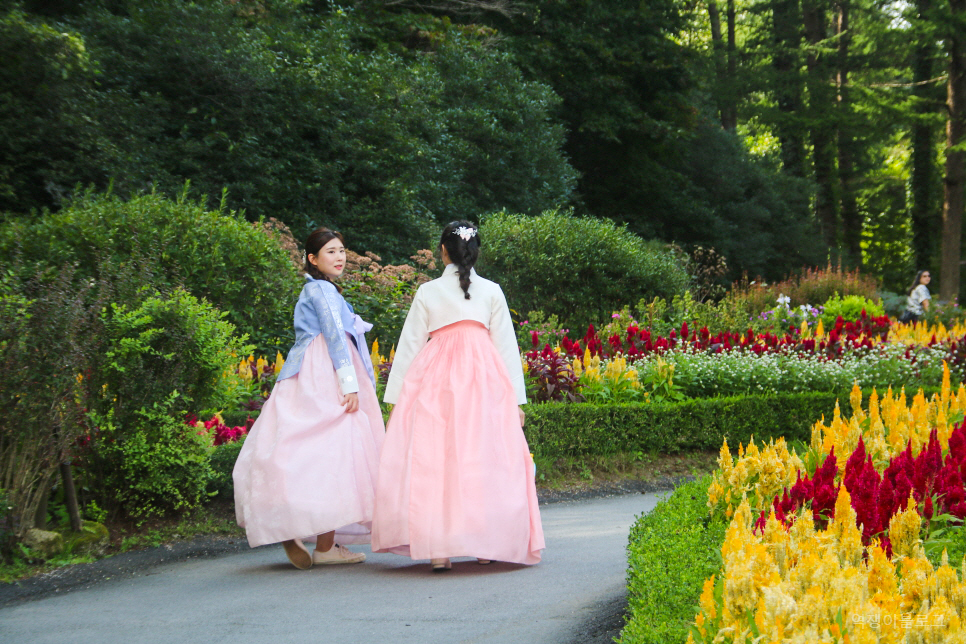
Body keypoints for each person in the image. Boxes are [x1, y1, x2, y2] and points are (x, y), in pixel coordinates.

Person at [371, 220, 545, 571]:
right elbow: (507, 348)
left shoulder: (428, 291)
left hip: (436, 378)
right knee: (482, 456)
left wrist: (396, 401)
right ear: (475, 252)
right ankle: (484, 545)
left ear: (442, 252)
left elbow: (409, 347)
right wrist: (516, 402)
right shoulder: (492, 290)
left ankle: (439, 551)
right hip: (483, 377)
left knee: (437, 459)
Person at [233, 227, 385, 569]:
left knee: (299, 449)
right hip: (328, 370)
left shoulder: (312, 290)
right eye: (330, 252)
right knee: (339, 451)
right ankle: (326, 547)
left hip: (300, 373)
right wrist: (349, 382)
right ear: (313, 259)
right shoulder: (324, 292)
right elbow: (333, 334)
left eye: (342, 250)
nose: (340, 257)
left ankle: (291, 525)